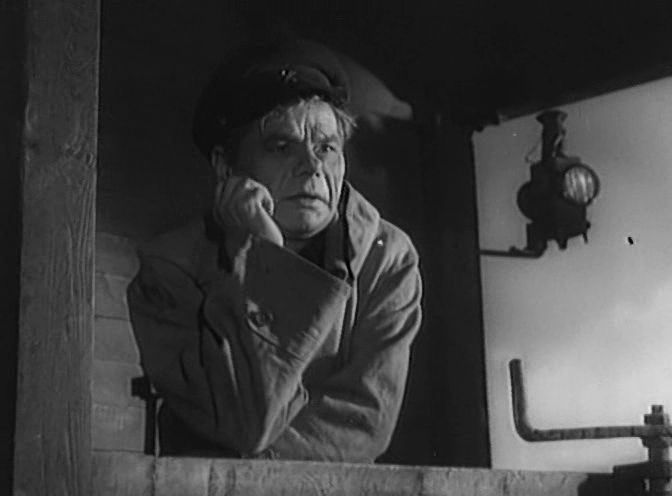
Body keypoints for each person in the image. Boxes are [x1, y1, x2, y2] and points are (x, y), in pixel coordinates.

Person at [128, 39, 422, 462]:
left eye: (326, 147)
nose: (313, 167)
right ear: (226, 166)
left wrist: (253, 465)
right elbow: (244, 425)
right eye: (282, 147)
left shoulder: (387, 256)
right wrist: (265, 254)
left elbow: (364, 423)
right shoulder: (169, 269)